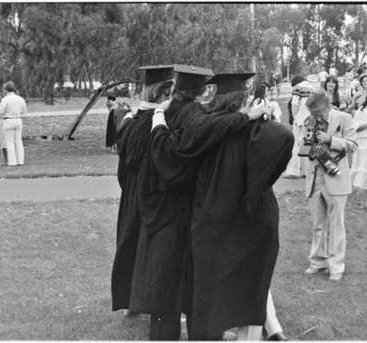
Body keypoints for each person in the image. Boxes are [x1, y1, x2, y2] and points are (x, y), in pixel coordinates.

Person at [132, 64, 269, 340]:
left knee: (167, 274)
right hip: (187, 202)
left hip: (159, 203)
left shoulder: (162, 112)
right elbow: (205, 131)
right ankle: (203, 332)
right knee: (194, 274)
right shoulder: (196, 114)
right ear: (200, 91)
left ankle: (165, 333)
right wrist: (247, 117)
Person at [156, 72, 292, 340]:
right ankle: (251, 336)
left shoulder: (203, 125)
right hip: (248, 216)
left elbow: (174, 153)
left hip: (212, 216)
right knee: (249, 285)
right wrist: (261, 118)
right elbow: (285, 138)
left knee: (209, 285)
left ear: (217, 97)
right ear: (243, 98)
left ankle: (208, 334)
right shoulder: (251, 128)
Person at [111, 65, 175, 323]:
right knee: (150, 250)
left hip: (131, 194)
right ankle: (146, 302)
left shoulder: (130, 122)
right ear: (164, 93)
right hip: (154, 195)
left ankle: (129, 304)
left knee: (129, 243)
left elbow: (122, 165)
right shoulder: (159, 123)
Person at [303, 90, 357, 281]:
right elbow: (304, 143)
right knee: (318, 224)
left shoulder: (344, 118)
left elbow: (353, 144)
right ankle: (317, 261)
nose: (315, 116)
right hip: (315, 176)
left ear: (326, 106)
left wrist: (331, 140)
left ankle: (336, 267)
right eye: (312, 113)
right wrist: (307, 148)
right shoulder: (309, 120)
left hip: (335, 175)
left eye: (317, 112)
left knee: (336, 225)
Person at [282, 75, 315, 178]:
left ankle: (293, 171)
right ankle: (307, 171)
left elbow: (294, 103)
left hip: (300, 120)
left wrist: (295, 115)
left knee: (296, 144)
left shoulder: (298, 88)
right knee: (308, 143)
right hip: (311, 119)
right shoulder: (313, 88)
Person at [0, 81, 27, 166]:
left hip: (8, 120)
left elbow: (0, 112)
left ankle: (12, 162)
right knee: (18, 141)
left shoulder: (5, 99)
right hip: (18, 119)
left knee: (9, 142)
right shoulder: (20, 99)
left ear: (6, 90)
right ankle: (20, 161)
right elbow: (24, 111)